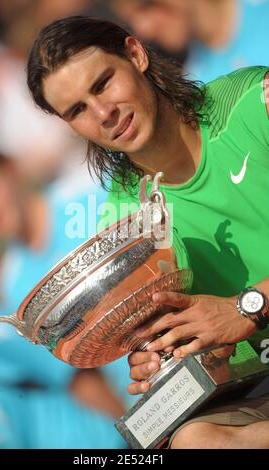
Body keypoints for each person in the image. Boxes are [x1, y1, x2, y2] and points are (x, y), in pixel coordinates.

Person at [26, 16, 269, 448]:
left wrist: (248, 307)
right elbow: (214, 355)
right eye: (78, 110)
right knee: (191, 441)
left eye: (102, 84)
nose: (104, 114)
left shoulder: (255, 104)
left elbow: (236, 315)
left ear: (136, 55)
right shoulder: (123, 230)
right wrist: (180, 365)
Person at [0, 143, 133, 448]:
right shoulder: (13, 291)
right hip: (144, 401)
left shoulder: (91, 197)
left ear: (9, 171)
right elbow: (78, 378)